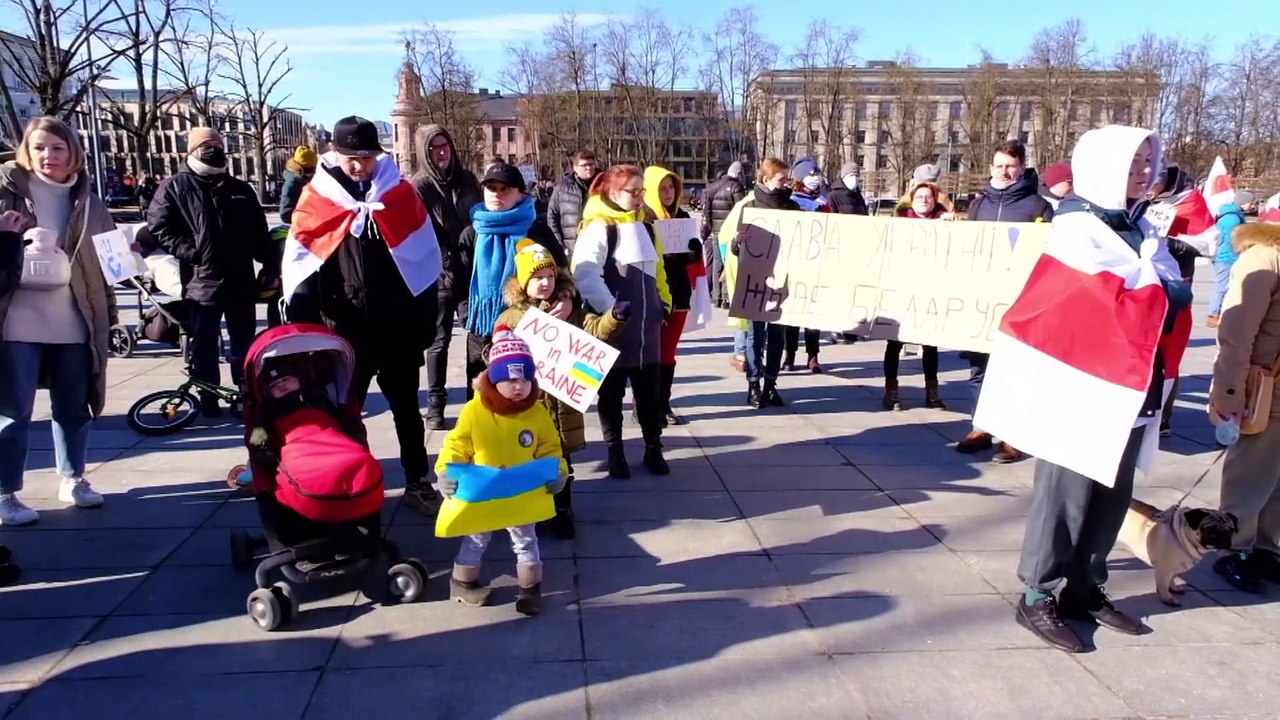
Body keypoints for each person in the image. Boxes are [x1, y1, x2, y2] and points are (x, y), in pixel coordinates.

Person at [1012, 125, 1190, 653]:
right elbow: (1100, 300)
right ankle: (1037, 593)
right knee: (1064, 494)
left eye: (1148, 161)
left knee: (1113, 494)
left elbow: (1170, 292)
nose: (1144, 171)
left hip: (1134, 381)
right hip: (1083, 386)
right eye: (1133, 162)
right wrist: (1157, 288)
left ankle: (1086, 588)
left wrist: (1157, 288)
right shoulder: (1077, 227)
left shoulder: (1137, 226)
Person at [284, 116, 441, 516]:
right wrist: (306, 332)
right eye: (352, 157)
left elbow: (424, 263)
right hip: (344, 331)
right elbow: (302, 267)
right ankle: (353, 484)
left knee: (407, 409)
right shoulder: (318, 197)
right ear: (335, 154)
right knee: (345, 412)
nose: (360, 165)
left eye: (368, 157)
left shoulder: (398, 194)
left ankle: (417, 480)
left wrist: (423, 324)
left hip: (396, 328)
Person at [1, 117, 117, 525]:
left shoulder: (90, 202)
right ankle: (5, 493)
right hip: (16, 321)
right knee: (13, 411)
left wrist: (135, 260)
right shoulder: (6, 192)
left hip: (74, 319)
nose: (48, 156)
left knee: (73, 405)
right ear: (26, 152)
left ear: (73, 153)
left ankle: (73, 478)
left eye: (57, 148)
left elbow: (112, 262)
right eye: (39, 148)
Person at [494, 241, 627, 539]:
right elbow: (496, 354)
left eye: (550, 277)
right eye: (537, 278)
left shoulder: (570, 311)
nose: (545, 283)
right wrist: (498, 351)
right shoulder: (511, 318)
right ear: (523, 283)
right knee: (528, 460)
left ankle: (563, 511)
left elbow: (594, 330)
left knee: (562, 464)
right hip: (529, 407)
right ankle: (534, 510)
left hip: (561, 406)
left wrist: (614, 318)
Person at [436, 327, 569, 616]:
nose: (519, 385)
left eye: (524, 377)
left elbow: (550, 448)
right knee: (476, 538)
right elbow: (456, 445)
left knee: (526, 540)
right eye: (510, 378)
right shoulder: (475, 411)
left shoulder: (537, 412)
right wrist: (445, 473)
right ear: (495, 379)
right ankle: (462, 583)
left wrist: (559, 472)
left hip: (522, 492)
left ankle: (530, 591)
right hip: (484, 490)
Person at [148, 126, 274, 417]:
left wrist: (270, 264)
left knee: (244, 343)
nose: (215, 148)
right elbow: (159, 227)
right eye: (207, 144)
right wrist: (192, 253)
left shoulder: (240, 189)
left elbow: (259, 231)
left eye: (218, 143)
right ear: (191, 150)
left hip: (240, 282)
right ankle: (208, 396)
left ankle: (244, 394)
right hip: (200, 285)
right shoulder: (175, 186)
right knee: (204, 344)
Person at [958, 139, 1054, 463]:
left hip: (1020, 301)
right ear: (990, 168)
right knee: (979, 367)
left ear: (1021, 168)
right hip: (982, 298)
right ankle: (981, 427)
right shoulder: (978, 205)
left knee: (1017, 368)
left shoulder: (1038, 206)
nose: (1004, 171)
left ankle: (1013, 436)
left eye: (1010, 166)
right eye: (999, 165)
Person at [572, 164, 671, 478]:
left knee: (650, 395)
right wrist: (612, 311)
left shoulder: (648, 226)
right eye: (634, 191)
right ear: (613, 192)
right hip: (613, 329)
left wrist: (663, 303)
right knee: (611, 395)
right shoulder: (600, 227)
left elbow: (659, 271)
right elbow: (585, 274)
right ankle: (615, 451)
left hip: (648, 329)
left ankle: (653, 447)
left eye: (643, 190)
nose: (641, 196)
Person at [1209, 221, 1280, 593]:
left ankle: (1267, 549)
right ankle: (1234, 550)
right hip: (1263, 391)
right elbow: (1236, 334)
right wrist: (1230, 392)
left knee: (1276, 482)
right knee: (1249, 477)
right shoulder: (1264, 258)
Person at [455, 163, 566, 389]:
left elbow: (562, 272)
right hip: (483, 330)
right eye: (491, 188)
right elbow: (459, 281)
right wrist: (467, 313)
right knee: (483, 402)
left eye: (505, 189)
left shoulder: (537, 231)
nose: (497, 194)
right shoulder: (471, 233)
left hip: (528, 326)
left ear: (521, 194)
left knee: (526, 396)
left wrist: (567, 298)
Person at [412, 125, 483, 430]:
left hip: (469, 269)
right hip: (439, 274)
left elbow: (481, 211)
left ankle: (476, 400)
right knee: (438, 340)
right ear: (424, 153)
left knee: (477, 335)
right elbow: (418, 228)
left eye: (445, 146)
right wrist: (443, 253)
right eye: (434, 148)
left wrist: (473, 227)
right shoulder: (419, 186)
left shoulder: (466, 180)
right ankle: (436, 405)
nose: (442, 152)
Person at [719, 158, 800, 409]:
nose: (786, 183)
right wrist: (737, 242)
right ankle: (753, 383)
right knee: (755, 336)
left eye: (787, 179)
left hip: (783, 283)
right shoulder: (749, 207)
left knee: (778, 336)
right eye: (781, 179)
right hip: (756, 282)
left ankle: (771, 384)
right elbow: (733, 247)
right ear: (766, 179)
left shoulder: (792, 207)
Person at [884, 181, 954, 411]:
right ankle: (891, 392)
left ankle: (932, 393)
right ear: (911, 201)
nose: (925, 200)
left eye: (929, 196)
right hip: (902, 289)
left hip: (931, 291)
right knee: (894, 342)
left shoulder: (946, 224)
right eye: (920, 196)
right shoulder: (899, 223)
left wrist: (953, 226)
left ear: (935, 201)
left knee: (930, 344)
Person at [643, 165, 702, 426]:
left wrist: (694, 253)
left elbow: (691, 262)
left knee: (668, 354)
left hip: (678, 295)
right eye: (662, 188)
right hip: (652, 295)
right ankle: (643, 403)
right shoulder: (642, 220)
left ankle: (663, 403)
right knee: (649, 353)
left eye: (671, 187)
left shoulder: (683, 217)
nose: (667, 193)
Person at [701, 161, 749, 309]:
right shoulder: (736, 187)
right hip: (731, 232)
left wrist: (711, 227)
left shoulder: (712, 187)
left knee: (717, 264)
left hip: (716, 232)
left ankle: (716, 297)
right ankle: (727, 297)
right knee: (730, 263)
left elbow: (706, 211)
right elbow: (741, 210)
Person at [1208, 194, 1249, 328]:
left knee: (1226, 287)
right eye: (1250, 202)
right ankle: (1213, 315)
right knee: (1222, 287)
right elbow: (1229, 240)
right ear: (1243, 202)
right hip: (1226, 257)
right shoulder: (1232, 218)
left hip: (1227, 256)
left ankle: (1220, 314)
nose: (1252, 206)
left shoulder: (1235, 215)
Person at [547, 149, 599, 255]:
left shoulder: (604, 185)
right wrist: (560, 245)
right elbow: (552, 216)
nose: (588, 168)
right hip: (572, 250)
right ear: (575, 168)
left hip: (600, 247)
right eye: (584, 165)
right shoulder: (562, 188)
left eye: (591, 164)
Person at [279, 146, 317, 224]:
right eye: (311, 170)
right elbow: (285, 214)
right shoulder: (292, 184)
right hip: (301, 225)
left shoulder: (302, 180)